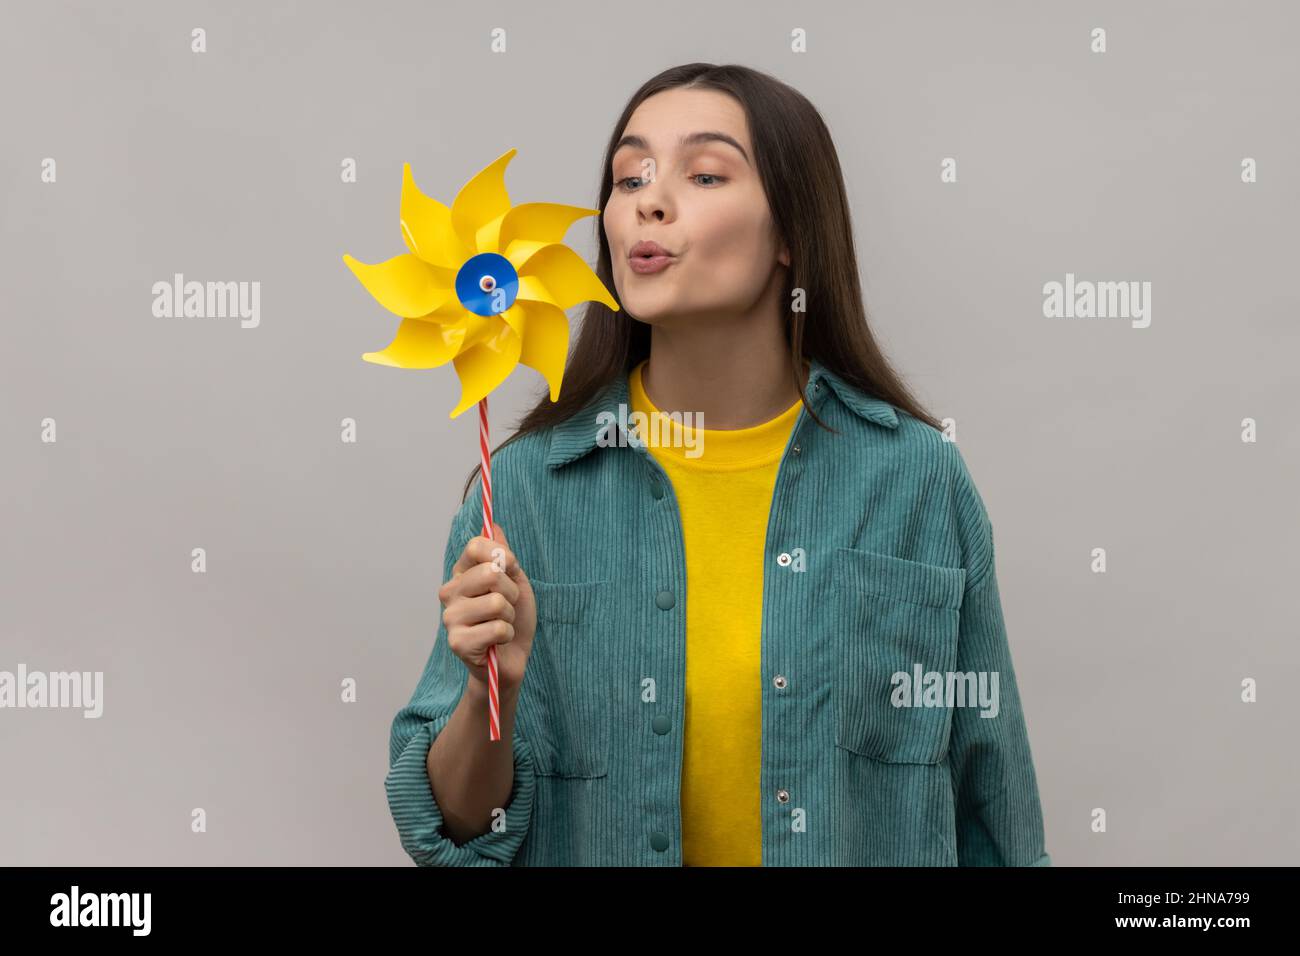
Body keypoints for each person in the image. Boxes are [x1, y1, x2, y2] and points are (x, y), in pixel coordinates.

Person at [385, 62, 1051, 867]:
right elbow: (454, 837)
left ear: (792, 236)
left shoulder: (916, 479)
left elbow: (994, 811)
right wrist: (497, 691)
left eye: (703, 173)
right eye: (630, 176)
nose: (647, 201)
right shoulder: (523, 491)